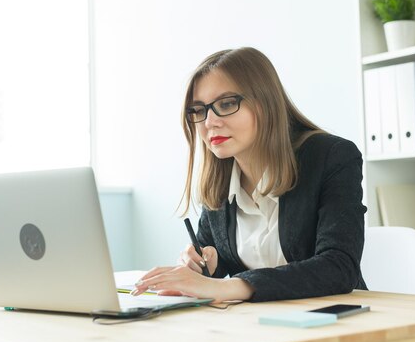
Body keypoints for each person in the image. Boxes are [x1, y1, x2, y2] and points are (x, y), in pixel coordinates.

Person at [131, 47, 367, 302]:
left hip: (334, 321)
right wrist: (203, 266)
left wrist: (228, 288)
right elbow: (218, 260)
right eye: (199, 110)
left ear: (265, 102)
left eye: (227, 104)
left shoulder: (331, 157)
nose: (209, 122)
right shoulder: (219, 181)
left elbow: (339, 267)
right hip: (256, 324)